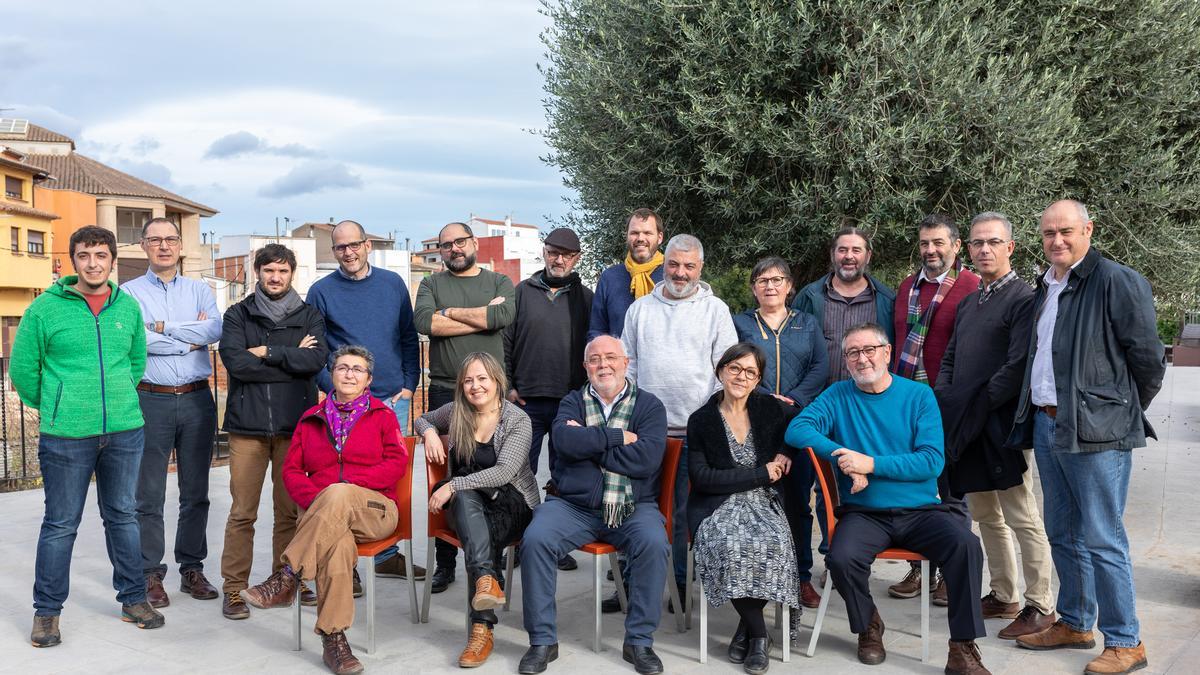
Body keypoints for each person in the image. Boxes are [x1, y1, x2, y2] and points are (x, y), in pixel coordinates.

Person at [1007, 200, 1165, 675]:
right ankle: (1076, 622)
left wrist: (1117, 411)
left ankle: (1126, 640)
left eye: (1067, 231)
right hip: (1049, 423)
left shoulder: (1116, 280)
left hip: (1098, 431)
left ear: (1088, 230)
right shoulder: (1047, 286)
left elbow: (1149, 360)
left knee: (1102, 535)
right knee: (1062, 531)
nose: (1057, 240)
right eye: (1049, 233)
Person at [786, 323, 989, 675]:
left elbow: (931, 461)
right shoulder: (837, 395)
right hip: (864, 513)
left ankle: (962, 647)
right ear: (846, 360)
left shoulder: (919, 396)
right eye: (853, 353)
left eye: (869, 350)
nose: (862, 358)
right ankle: (869, 626)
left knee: (967, 546)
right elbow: (797, 429)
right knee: (841, 558)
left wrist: (871, 465)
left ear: (887, 353)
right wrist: (843, 455)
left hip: (922, 511)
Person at [12, 225, 163, 647]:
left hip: (124, 430)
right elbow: (24, 370)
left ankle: (134, 599)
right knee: (60, 523)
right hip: (66, 435)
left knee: (123, 516)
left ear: (113, 261)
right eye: (84, 255)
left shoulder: (127, 308)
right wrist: (61, 404)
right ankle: (47, 612)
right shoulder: (44, 309)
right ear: (73, 260)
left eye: (101, 255)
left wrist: (115, 398)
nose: (93, 263)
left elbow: (135, 362)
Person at [241, 346, 408, 675]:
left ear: (368, 380)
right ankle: (335, 640)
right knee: (335, 544)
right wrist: (323, 497)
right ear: (331, 375)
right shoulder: (310, 419)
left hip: (375, 509)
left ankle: (287, 576)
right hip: (326, 516)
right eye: (342, 367)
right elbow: (290, 472)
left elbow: (397, 463)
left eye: (357, 369)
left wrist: (344, 487)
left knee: (338, 494)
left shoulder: (383, 416)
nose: (349, 373)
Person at [935, 212, 1056, 640]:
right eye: (976, 243)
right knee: (985, 513)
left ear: (1011, 248)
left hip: (1000, 424)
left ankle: (1041, 604)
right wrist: (947, 396)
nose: (984, 249)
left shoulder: (1024, 299)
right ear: (967, 250)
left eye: (993, 242)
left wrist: (978, 404)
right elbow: (950, 356)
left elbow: (1017, 364)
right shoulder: (971, 300)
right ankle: (1003, 594)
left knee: (1021, 514)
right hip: (967, 422)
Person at [519, 335, 669, 675]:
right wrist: (617, 438)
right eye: (595, 359)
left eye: (611, 357)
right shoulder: (572, 402)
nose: (604, 364)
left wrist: (587, 442)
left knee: (654, 542)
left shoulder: (649, 406)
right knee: (537, 538)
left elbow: (646, 460)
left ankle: (640, 641)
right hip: (573, 506)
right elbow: (563, 442)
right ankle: (542, 641)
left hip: (633, 505)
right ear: (586, 366)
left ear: (626, 362)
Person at [621, 233, 737, 610]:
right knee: (636, 506)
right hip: (647, 432)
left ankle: (681, 586)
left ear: (700, 268)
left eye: (689, 266)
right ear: (663, 264)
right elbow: (629, 367)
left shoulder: (715, 309)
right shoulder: (640, 309)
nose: (680, 272)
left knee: (684, 514)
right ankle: (630, 584)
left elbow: (727, 367)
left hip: (695, 432)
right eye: (674, 264)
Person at [307, 219, 424, 582]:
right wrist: (331, 386)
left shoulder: (392, 284)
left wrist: (409, 384)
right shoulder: (321, 291)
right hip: (344, 401)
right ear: (334, 251)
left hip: (392, 397)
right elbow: (316, 349)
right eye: (340, 247)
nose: (348, 252)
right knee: (342, 473)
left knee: (390, 478)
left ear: (367, 245)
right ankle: (345, 561)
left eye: (354, 244)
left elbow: (408, 336)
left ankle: (387, 553)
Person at [218, 243, 328, 621]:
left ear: (291, 274)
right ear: (258, 273)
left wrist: (265, 351)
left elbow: (314, 361)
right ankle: (233, 589)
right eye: (269, 271)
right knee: (242, 513)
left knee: (290, 513)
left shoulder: (309, 314)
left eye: (282, 271)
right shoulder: (237, 314)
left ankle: (287, 580)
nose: (275, 277)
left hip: (294, 428)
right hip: (246, 427)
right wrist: (288, 355)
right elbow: (236, 363)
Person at [121, 217, 222, 609]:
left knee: (195, 492)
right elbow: (135, 339)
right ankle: (150, 573)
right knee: (147, 493)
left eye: (170, 239)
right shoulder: (127, 294)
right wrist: (184, 339)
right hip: (150, 399)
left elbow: (213, 331)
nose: (163, 246)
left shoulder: (201, 289)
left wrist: (161, 328)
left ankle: (192, 568)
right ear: (143, 246)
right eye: (155, 240)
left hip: (197, 400)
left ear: (180, 245)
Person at [416, 352, 541, 668]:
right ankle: (486, 588)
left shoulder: (517, 420)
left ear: (497, 380)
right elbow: (422, 418)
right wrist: (430, 432)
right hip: (468, 504)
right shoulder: (457, 412)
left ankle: (481, 627)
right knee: (468, 501)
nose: (475, 386)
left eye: (482, 378)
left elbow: (504, 471)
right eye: (469, 380)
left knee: (466, 500)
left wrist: (452, 486)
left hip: (512, 504)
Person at [413, 221, 516, 594]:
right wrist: (478, 316)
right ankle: (445, 563)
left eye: (460, 242)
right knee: (447, 473)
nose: (454, 248)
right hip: (445, 392)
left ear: (473, 243)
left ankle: (490, 559)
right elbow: (425, 323)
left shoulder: (500, 282)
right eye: (446, 245)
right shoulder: (430, 284)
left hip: (492, 395)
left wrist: (451, 313)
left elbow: (501, 318)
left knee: (492, 471)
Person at [688, 343, 800, 675]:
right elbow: (702, 477)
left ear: (758, 380)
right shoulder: (702, 419)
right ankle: (760, 635)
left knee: (773, 544)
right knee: (729, 545)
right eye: (735, 368)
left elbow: (806, 420)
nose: (742, 376)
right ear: (721, 370)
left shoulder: (770, 408)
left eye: (751, 372)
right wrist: (759, 473)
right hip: (717, 504)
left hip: (764, 502)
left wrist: (786, 450)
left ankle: (744, 629)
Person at [887, 214, 980, 605]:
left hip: (949, 406)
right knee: (915, 490)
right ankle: (921, 569)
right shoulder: (908, 287)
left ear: (956, 246)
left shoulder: (972, 286)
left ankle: (951, 574)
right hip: (907, 404)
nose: (931, 250)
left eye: (939, 243)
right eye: (925, 243)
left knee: (952, 493)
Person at [732, 256, 828, 610]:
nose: (769, 286)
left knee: (798, 504)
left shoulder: (807, 323)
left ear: (790, 286)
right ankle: (755, 578)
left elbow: (821, 366)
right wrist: (760, 397)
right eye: (761, 281)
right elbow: (731, 364)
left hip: (799, 424)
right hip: (752, 424)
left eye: (776, 280)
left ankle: (800, 577)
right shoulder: (740, 322)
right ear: (753, 288)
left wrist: (794, 399)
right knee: (754, 503)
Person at [504, 227, 592, 571]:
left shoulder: (586, 298)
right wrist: (508, 384)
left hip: (569, 401)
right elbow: (505, 342)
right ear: (543, 252)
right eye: (554, 252)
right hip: (524, 399)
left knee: (563, 473)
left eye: (567, 255)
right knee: (518, 472)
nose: (559, 259)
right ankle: (517, 539)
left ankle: (554, 542)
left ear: (577, 259)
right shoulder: (521, 292)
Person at [792, 227, 895, 386]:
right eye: (842, 250)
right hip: (819, 399)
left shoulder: (887, 301)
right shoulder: (808, 297)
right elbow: (793, 350)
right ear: (833, 255)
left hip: (868, 401)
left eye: (856, 250)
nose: (849, 256)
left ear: (868, 256)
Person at [588, 208, 664, 341]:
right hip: (620, 360)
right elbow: (597, 331)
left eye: (647, 233)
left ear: (659, 237)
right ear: (626, 236)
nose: (640, 238)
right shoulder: (609, 278)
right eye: (634, 233)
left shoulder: (671, 277)